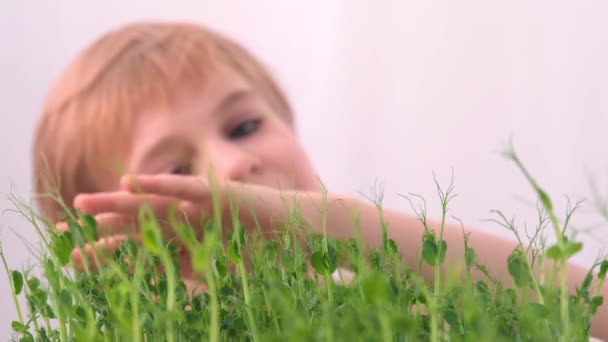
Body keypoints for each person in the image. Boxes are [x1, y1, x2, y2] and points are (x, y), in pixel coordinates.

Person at [32, 21, 607, 338]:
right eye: (176, 171)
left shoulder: (407, 315)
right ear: (116, 258)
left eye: (245, 125)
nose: (232, 167)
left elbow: (594, 308)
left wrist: (336, 223)